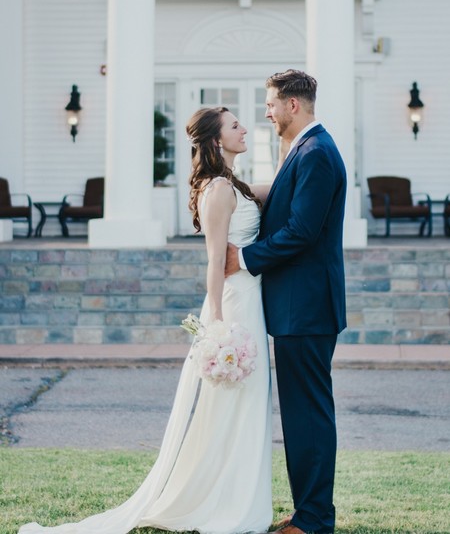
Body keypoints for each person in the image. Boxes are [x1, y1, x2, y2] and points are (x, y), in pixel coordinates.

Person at [18, 107, 274, 534]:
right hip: (235, 306)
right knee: (232, 406)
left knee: (247, 406)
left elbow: (274, 189)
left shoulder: (235, 185)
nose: (244, 129)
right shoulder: (216, 191)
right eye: (234, 126)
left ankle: (238, 496)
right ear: (215, 140)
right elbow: (214, 264)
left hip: (252, 299)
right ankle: (225, 503)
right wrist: (219, 326)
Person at [225, 69, 347, 534]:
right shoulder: (305, 149)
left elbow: (301, 230)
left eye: (271, 103)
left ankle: (314, 520)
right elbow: (285, 205)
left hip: (307, 306)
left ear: (293, 105)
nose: (267, 112)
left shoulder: (315, 152)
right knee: (300, 413)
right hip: (300, 305)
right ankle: (306, 511)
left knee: (308, 413)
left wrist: (244, 259)